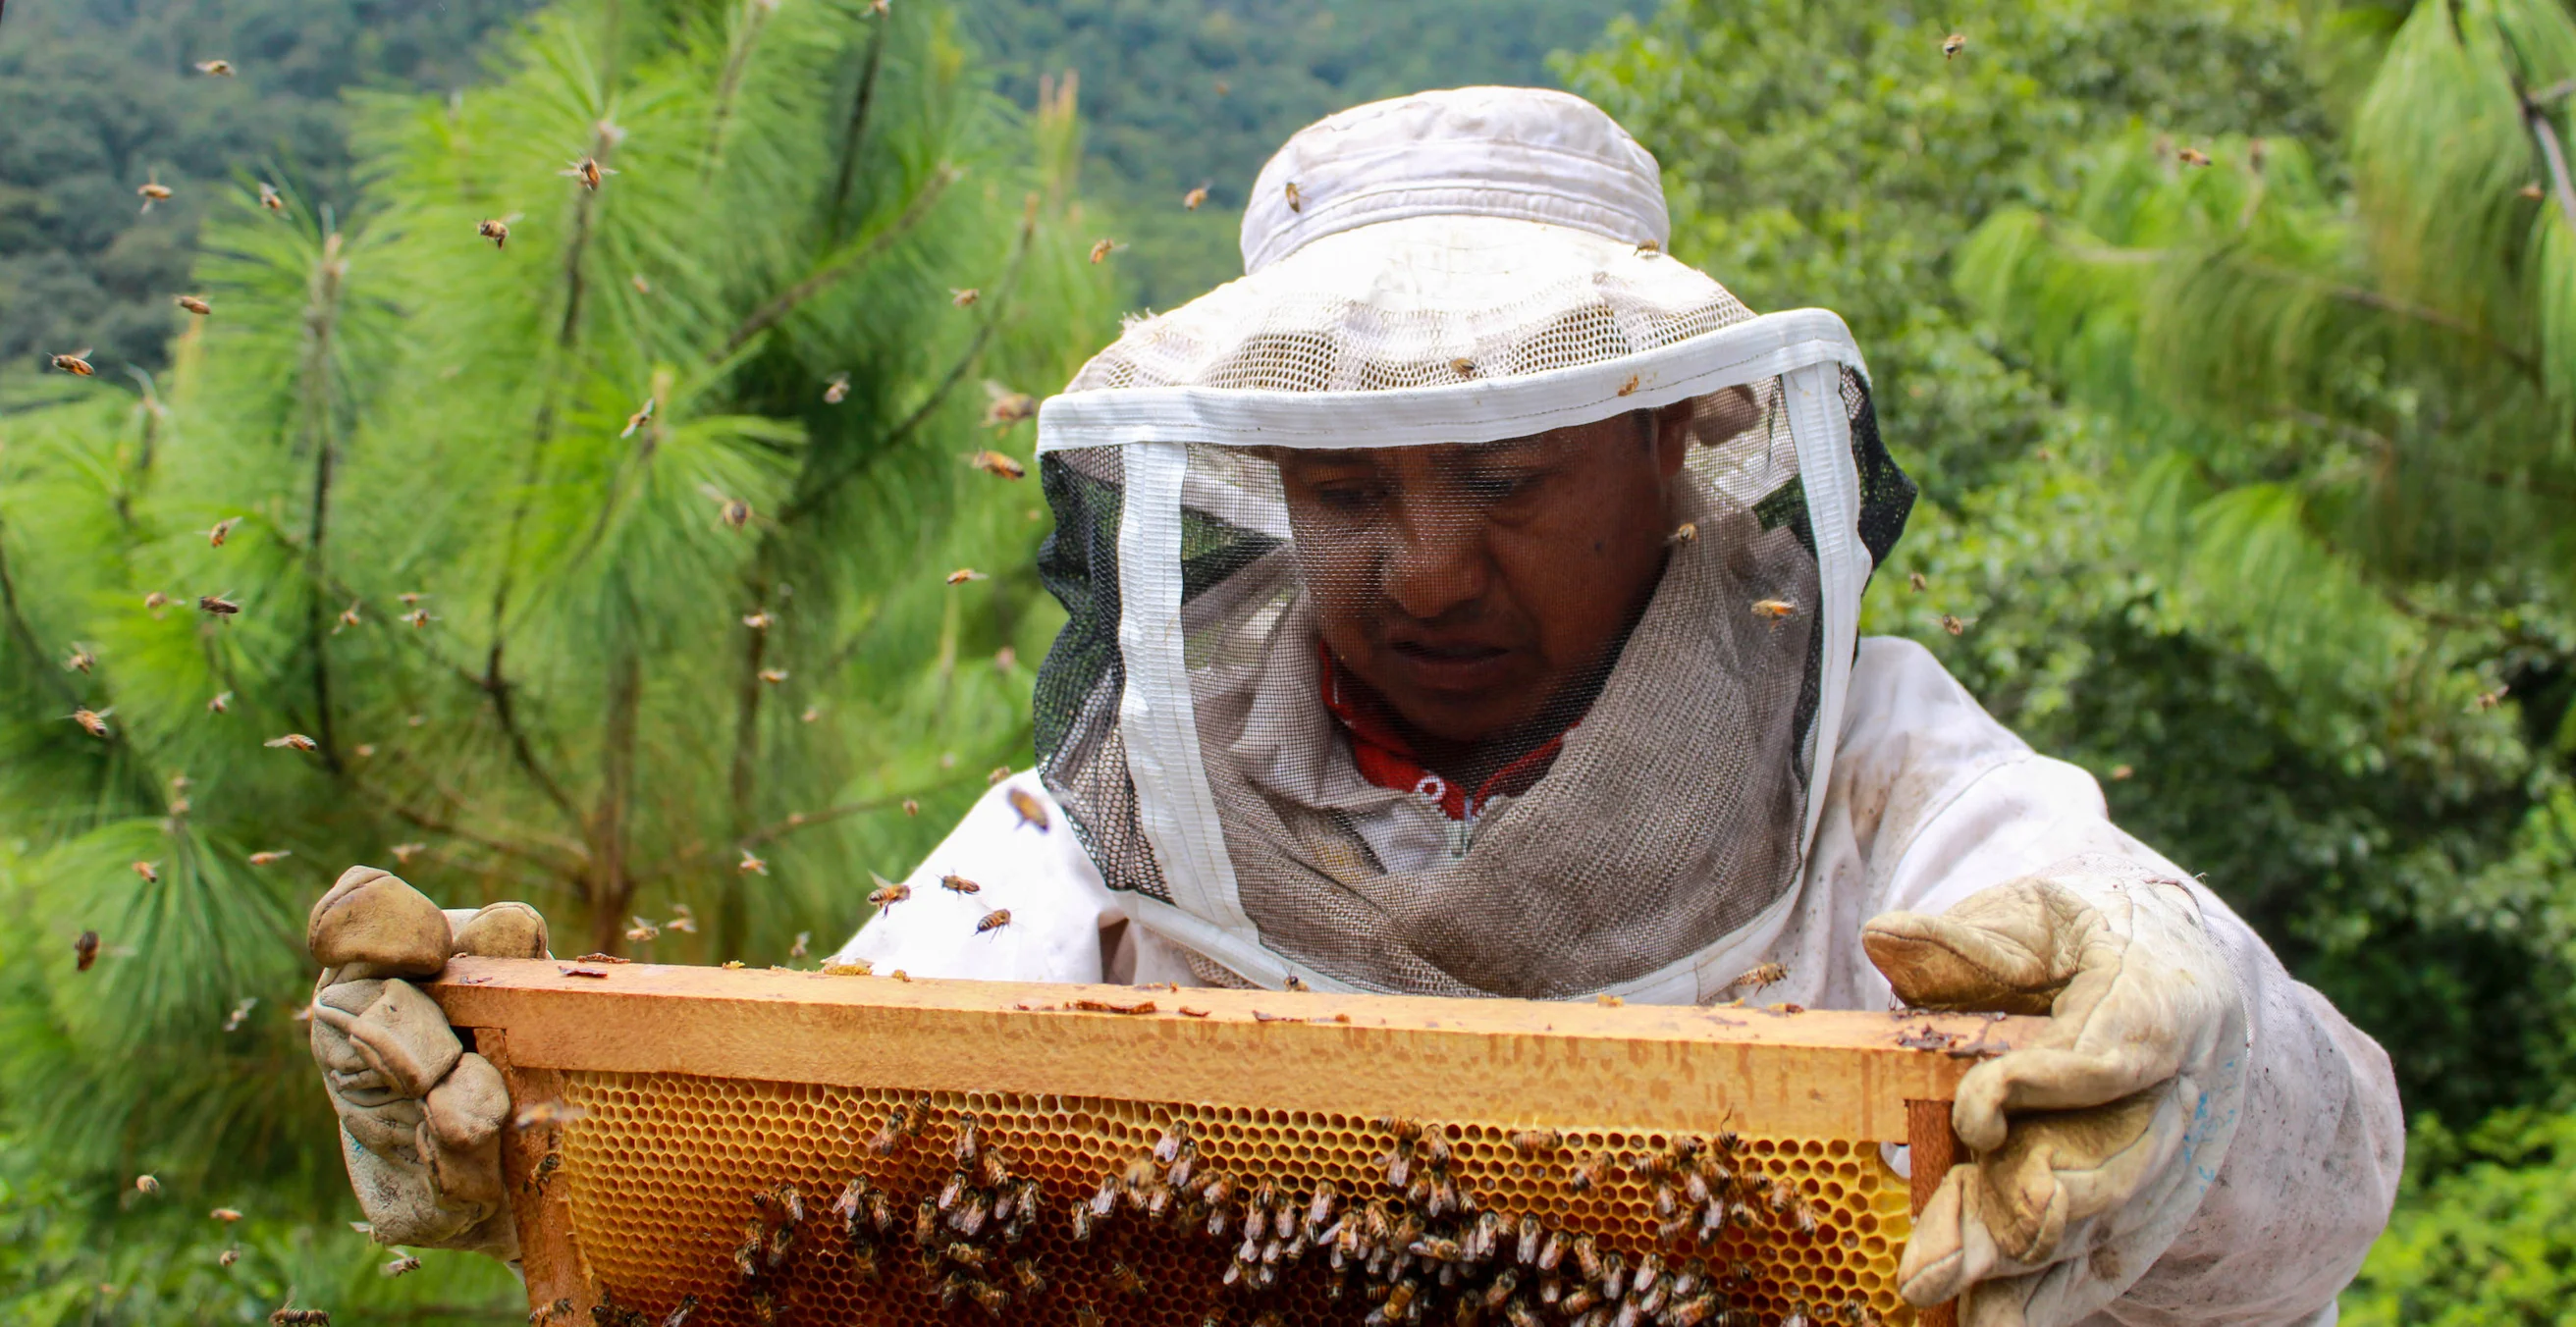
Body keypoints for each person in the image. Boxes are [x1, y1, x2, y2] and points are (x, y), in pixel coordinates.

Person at [305, 87, 2402, 1326]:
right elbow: (817, 1132)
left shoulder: (1879, 768)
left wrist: (2191, 1037)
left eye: (1505, 477)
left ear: (1672, 447)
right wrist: (554, 1116)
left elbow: (2321, 1174)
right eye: (1345, 491)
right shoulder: (1103, 818)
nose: (1423, 566)